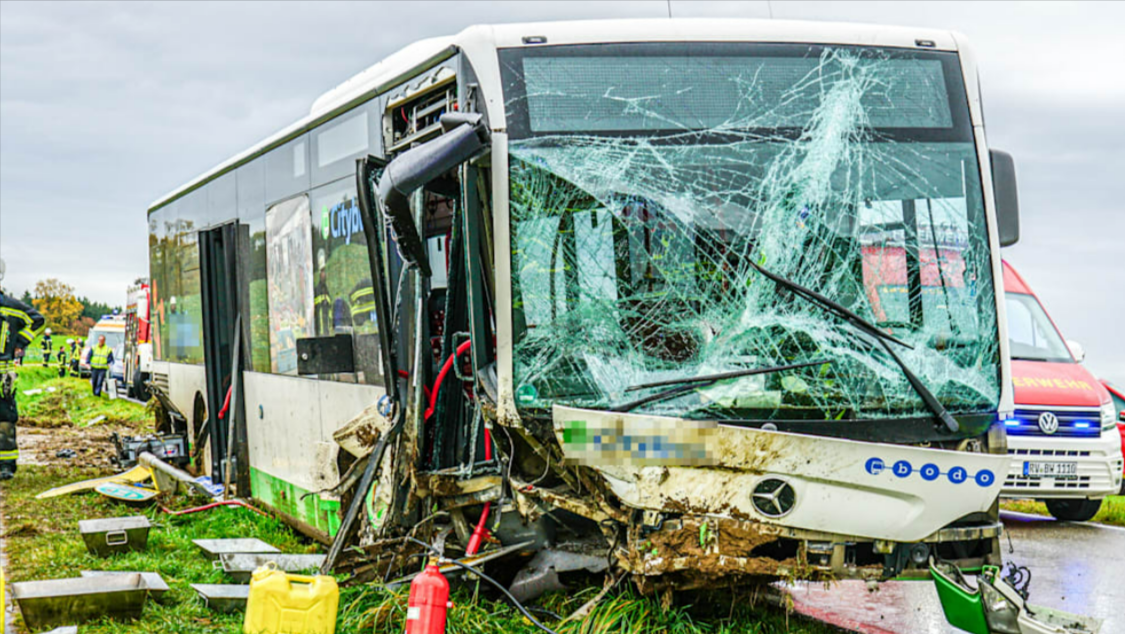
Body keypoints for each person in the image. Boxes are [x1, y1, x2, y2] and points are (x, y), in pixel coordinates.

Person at [0, 258, 47, 480]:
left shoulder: (12, 307)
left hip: (3, 374)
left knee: (5, 419)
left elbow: (38, 320)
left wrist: (20, 341)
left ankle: (6, 465)